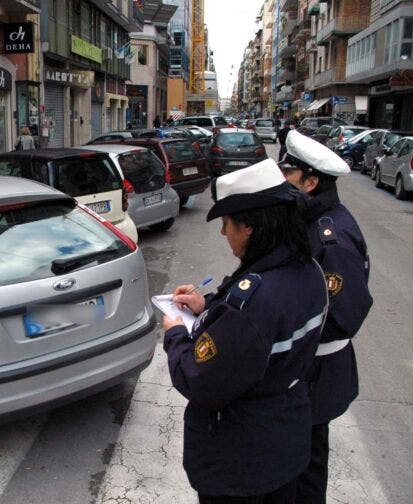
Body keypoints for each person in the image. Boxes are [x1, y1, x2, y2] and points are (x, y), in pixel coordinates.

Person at [163, 159, 329, 504]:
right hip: (285, 443)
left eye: (227, 223)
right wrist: (207, 306)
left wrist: (176, 332)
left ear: (250, 226)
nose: (224, 233)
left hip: (240, 461)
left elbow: (198, 379)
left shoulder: (252, 302)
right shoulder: (309, 269)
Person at [279, 131, 373, 504]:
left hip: (317, 372)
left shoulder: (330, 236)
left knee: (306, 469)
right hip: (307, 371)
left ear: (311, 182)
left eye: (288, 175)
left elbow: (344, 314)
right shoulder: (309, 217)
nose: (281, 180)